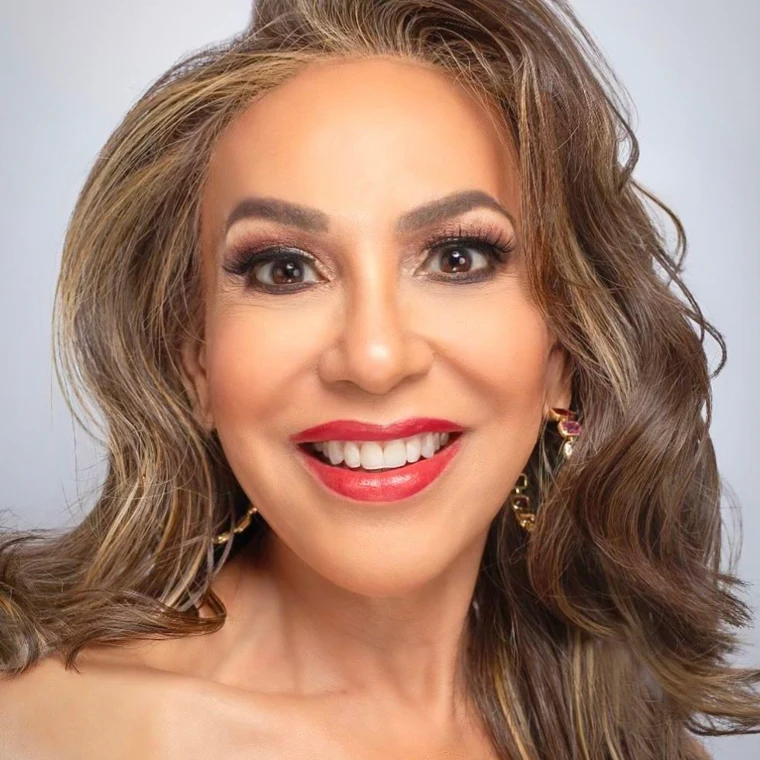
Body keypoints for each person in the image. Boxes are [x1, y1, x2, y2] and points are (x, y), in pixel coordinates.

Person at [0, 0, 758, 757]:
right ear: (194, 361)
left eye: (457, 259)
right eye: (285, 270)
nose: (373, 359)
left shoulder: (620, 730)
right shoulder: (51, 730)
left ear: (564, 354)